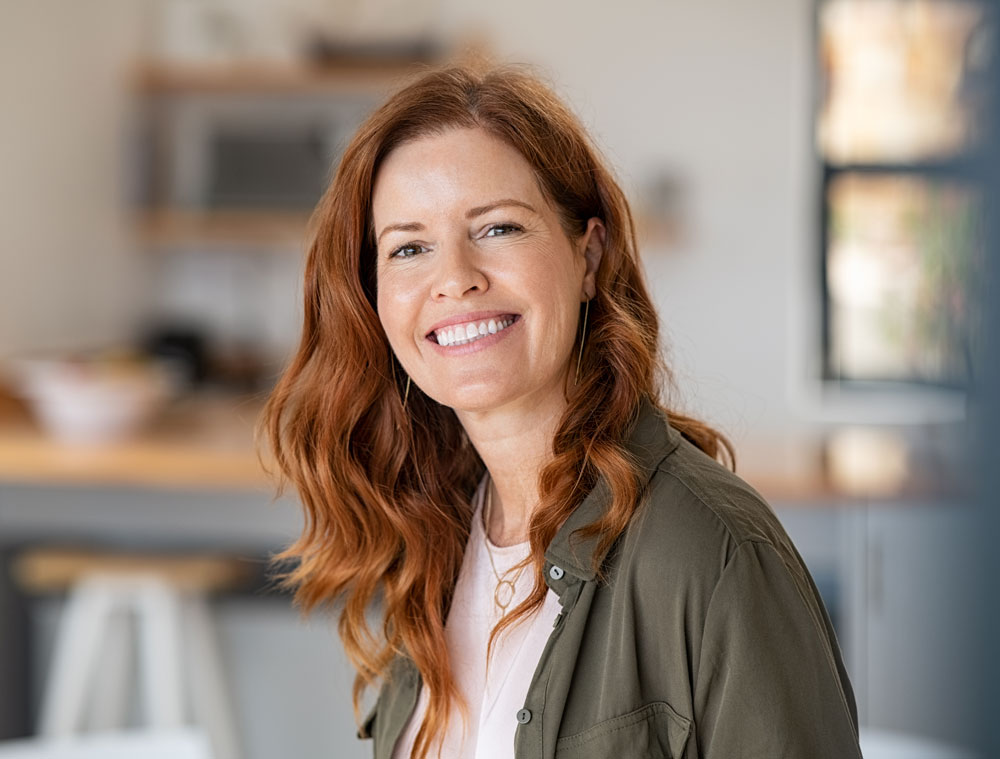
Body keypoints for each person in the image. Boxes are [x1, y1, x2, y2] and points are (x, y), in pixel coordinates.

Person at [258, 62, 863, 759]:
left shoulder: (714, 554)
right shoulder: (431, 536)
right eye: (410, 247)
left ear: (589, 255)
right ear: (373, 295)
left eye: (498, 229)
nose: (454, 277)